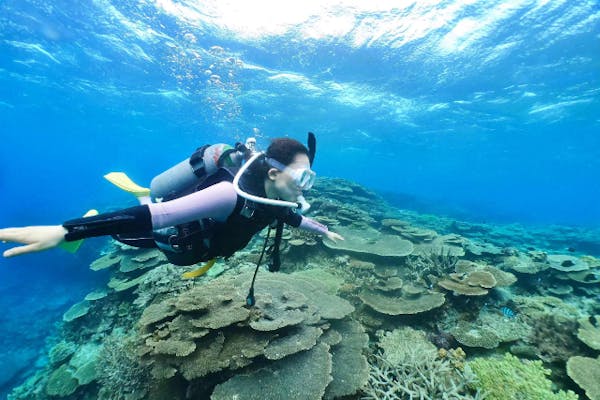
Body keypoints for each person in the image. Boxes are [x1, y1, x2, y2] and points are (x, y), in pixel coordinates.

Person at [0, 137, 344, 268]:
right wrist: (67, 231)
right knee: (131, 233)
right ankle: (100, 214)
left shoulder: (275, 201)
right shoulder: (229, 194)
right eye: (303, 178)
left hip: (207, 244)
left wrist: (322, 230)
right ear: (272, 175)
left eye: (309, 179)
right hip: (174, 237)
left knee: (154, 208)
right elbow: (157, 216)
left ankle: (141, 192)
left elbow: (293, 219)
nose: (306, 188)